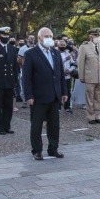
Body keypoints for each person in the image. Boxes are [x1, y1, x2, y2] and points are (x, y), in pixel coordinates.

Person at [22, 27, 68, 160]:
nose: (49, 38)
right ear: (39, 38)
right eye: (46, 36)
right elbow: (26, 77)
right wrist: (28, 95)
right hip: (38, 96)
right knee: (36, 125)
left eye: (50, 36)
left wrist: (64, 91)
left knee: (54, 125)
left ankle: (53, 148)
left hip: (54, 95)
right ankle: (37, 150)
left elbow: (60, 74)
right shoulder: (31, 54)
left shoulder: (55, 53)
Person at [78, 28, 100, 125]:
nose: (98, 37)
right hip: (90, 77)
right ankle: (91, 116)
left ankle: (97, 116)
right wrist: (81, 76)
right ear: (90, 36)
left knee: (99, 98)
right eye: (95, 36)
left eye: (98, 36)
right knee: (90, 98)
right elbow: (81, 63)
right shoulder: (84, 47)